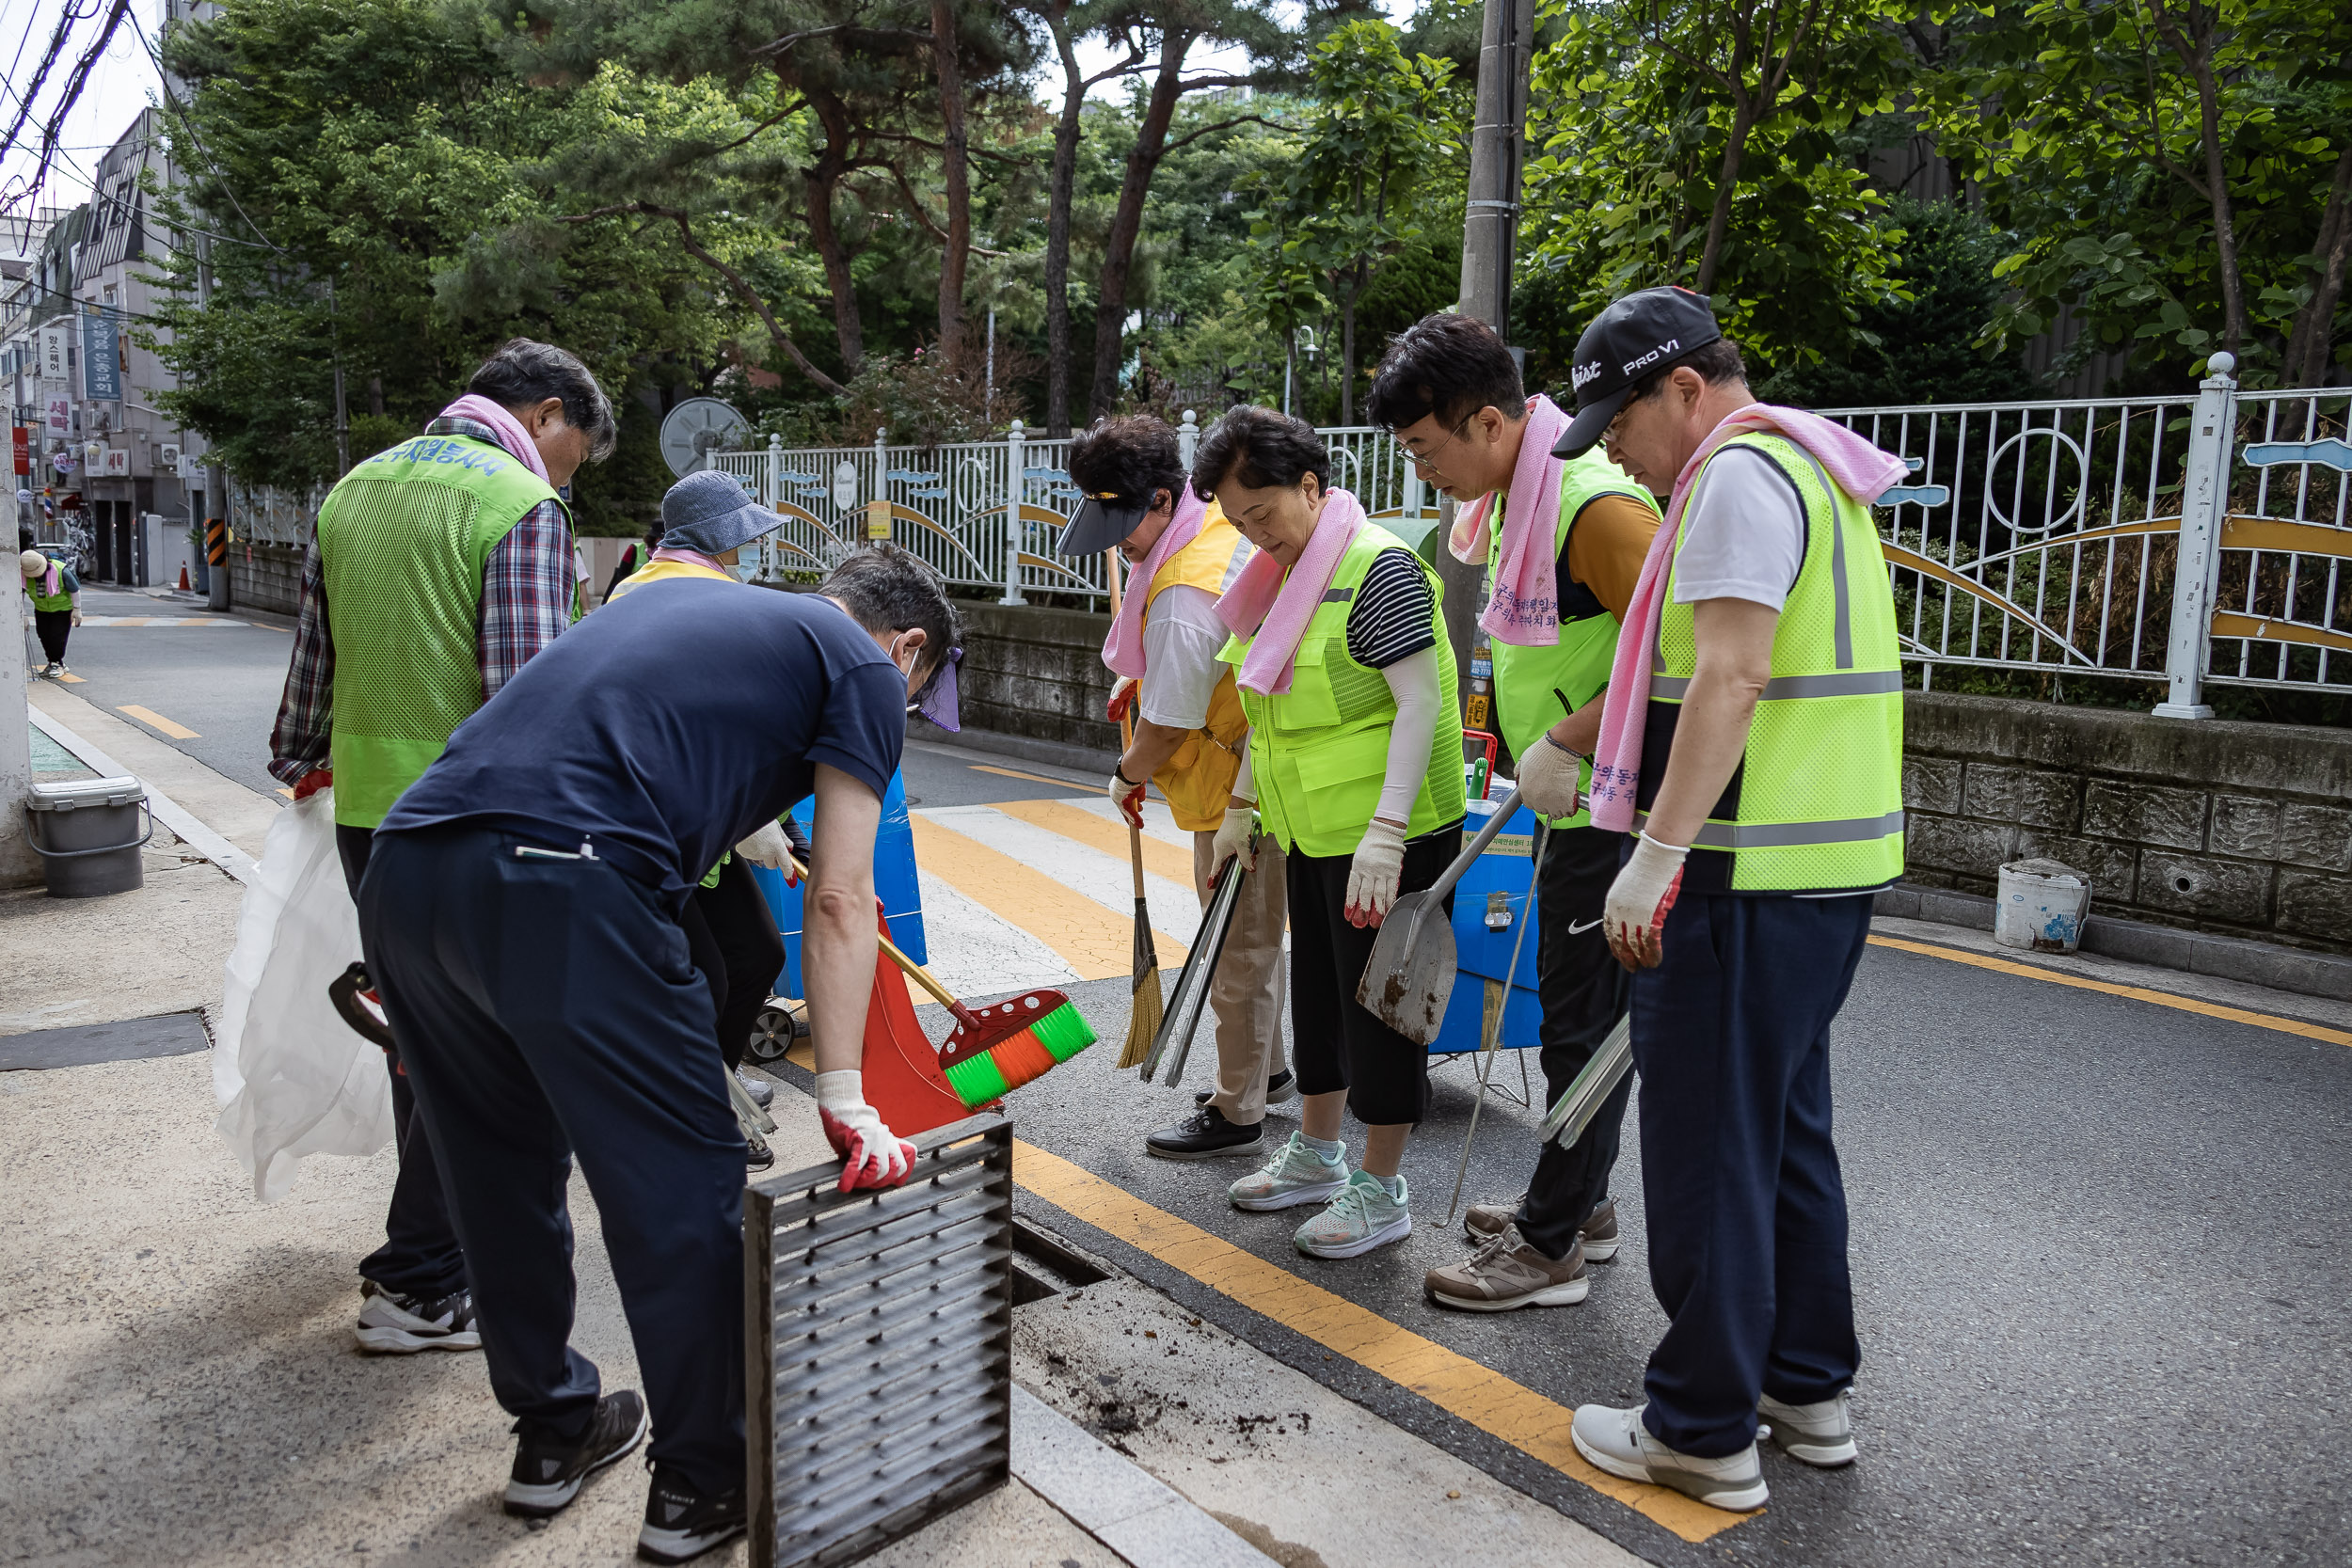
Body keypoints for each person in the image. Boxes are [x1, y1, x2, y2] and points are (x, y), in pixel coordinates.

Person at [356, 542, 956, 1563]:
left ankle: (552, 1430)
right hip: (564, 884)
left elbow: (616, 746)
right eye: (919, 689)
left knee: (495, 1168)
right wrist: (844, 1092)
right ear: (908, 648)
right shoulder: (863, 668)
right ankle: (703, 1481)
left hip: (409, 871)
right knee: (682, 1185)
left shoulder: (691, 605)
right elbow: (845, 896)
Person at [1549, 287, 1907, 1512]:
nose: (1612, 451)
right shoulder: (1815, 472)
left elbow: (1734, 673)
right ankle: (1804, 1382)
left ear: (1685, 390)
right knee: (1783, 1131)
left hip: (1744, 870)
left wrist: (1655, 851)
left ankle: (1700, 1423)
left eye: (1619, 419)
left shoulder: (1736, 478)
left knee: (1708, 1142)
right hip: (1822, 869)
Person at [266, 338, 617, 1356]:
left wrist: (297, 756)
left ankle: (429, 1268)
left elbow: (312, 665)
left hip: (372, 820)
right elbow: (526, 702)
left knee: (420, 1048)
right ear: (547, 415)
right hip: (480, 829)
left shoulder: (353, 490)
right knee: (492, 1064)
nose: (563, 476)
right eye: (573, 455)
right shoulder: (515, 503)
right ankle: (420, 1279)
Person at [1363, 314, 1662, 1313]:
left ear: (1487, 420)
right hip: (1569, 797)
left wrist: (1568, 739)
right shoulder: (1517, 499)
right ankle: (1580, 1205)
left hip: (1612, 804)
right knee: (1575, 1004)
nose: (1420, 473)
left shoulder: (1592, 508)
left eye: (1423, 447)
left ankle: (1548, 1245)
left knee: (1580, 1019)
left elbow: (1682, 654)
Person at [1194, 405, 1466, 1260]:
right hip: (1310, 826)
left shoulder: (1374, 568)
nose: (1254, 534)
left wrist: (1387, 833)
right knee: (1317, 996)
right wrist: (1240, 808)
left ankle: (1382, 1189)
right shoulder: (1277, 577)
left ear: (1311, 486)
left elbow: (1420, 703)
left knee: (1382, 1011)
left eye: (1263, 512)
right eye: (1237, 522)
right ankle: (1317, 1152)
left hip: (1387, 830)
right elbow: (1264, 712)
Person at [1056, 416, 1294, 1161]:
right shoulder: (1213, 537)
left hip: (1239, 788)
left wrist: (1125, 775)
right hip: (1251, 768)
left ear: (1163, 500)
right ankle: (1269, 1070)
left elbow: (1166, 723)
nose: (1120, 543)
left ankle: (1238, 1109)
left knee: (1236, 949)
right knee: (1252, 938)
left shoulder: (1182, 588)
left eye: (1125, 523)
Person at [21, 547, 80, 677]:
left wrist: (77, 609)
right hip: (42, 609)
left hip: (63, 609)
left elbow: (74, 590)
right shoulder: (24, 575)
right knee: (44, 636)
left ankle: (56, 663)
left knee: (57, 637)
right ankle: (56, 663)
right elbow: (20, 595)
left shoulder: (60, 570)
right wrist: (23, 615)